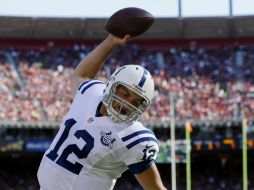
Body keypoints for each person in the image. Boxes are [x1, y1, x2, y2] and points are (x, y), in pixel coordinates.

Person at [37, 33, 167, 190]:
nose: (127, 103)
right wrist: (111, 41)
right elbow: (81, 75)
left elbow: (156, 188)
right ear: (112, 85)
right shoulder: (90, 93)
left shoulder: (133, 136)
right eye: (125, 94)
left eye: (136, 101)